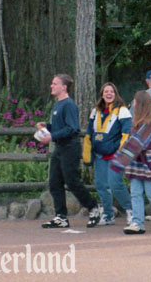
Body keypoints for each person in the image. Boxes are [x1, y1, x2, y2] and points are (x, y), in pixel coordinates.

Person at [37, 74, 101, 229]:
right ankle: (61, 217)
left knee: (72, 181)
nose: (51, 86)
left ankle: (93, 207)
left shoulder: (69, 105)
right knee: (54, 182)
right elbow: (60, 127)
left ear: (64, 87)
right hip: (59, 148)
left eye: (55, 83)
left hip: (70, 148)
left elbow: (72, 129)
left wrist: (51, 136)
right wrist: (47, 126)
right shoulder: (57, 105)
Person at [110, 91, 151, 234]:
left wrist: (119, 160)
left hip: (150, 165)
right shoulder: (134, 123)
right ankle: (137, 222)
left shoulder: (150, 124)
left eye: (135, 101)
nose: (133, 103)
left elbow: (136, 143)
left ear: (140, 104)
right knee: (135, 193)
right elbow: (129, 143)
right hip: (136, 165)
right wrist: (119, 156)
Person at [82, 82, 133, 226]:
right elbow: (89, 132)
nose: (109, 94)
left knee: (115, 183)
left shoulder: (122, 110)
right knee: (101, 184)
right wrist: (88, 151)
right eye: (106, 92)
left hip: (115, 154)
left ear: (115, 94)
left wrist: (121, 151)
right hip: (100, 154)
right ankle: (108, 214)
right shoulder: (95, 111)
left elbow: (127, 132)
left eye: (111, 91)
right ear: (102, 94)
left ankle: (131, 211)